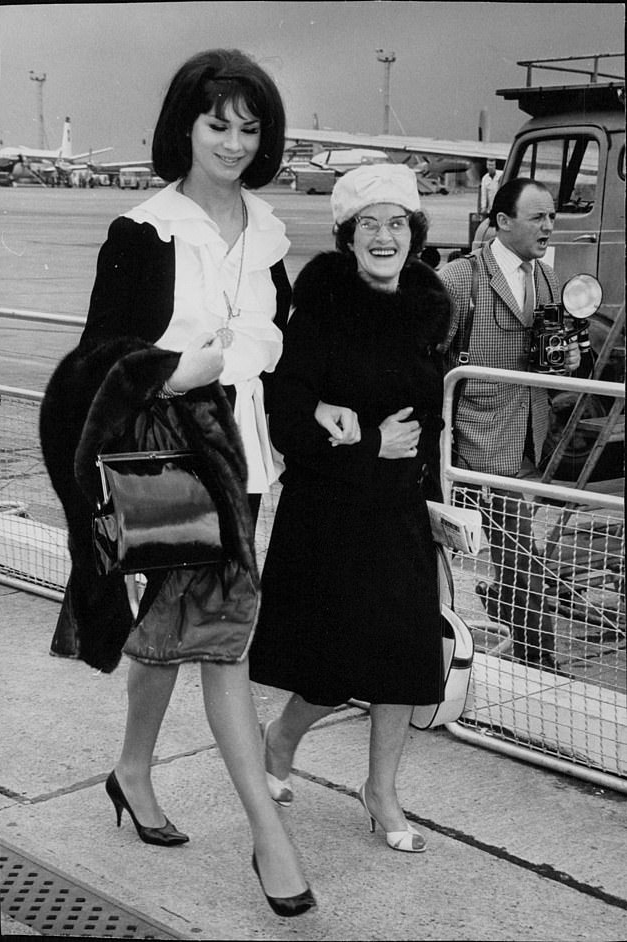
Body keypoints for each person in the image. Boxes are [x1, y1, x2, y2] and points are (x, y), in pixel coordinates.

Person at [39, 48, 316, 918]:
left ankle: (129, 768)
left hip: (251, 458)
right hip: (172, 457)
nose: (234, 141)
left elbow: (287, 350)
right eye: (217, 123)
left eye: (250, 125)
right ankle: (271, 840)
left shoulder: (270, 231)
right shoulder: (142, 231)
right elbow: (92, 360)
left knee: (176, 620)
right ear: (184, 127)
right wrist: (169, 370)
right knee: (223, 636)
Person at [248, 163, 452, 853]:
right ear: (346, 236)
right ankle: (280, 738)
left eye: (398, 224)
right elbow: (286, 420)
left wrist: (438, 508)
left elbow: (427, 430)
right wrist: (368, 444)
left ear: (416, 235)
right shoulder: (320, 314)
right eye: (370, 224)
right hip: (330, 516)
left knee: (404, 656)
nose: (385, 237)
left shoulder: (427, 312)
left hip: (397, 515)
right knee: (330, 673)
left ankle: (382, 791)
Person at [439, 178, 581, 669]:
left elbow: (550, 363)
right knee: (521, 553)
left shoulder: (545, 279)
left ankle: (504, 609)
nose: (548, 227)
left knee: (516, 550)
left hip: (525, 441)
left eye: (551, 218)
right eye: (537, 218)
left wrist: (566, 361)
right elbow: (427, 361)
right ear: (502, 222)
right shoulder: (462, 280)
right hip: (473, 444)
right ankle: (539, 660)